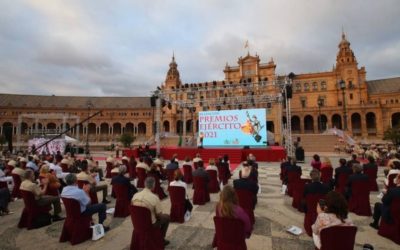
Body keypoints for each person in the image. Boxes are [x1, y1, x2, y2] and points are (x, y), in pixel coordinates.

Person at [132, 177, 170, 246]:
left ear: (144, 184)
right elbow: (159, 215)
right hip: (149, 224)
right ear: (153, 185)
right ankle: (161, 238)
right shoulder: (154, 197)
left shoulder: (135, 196)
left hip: (137, 223)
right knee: (166, 217)